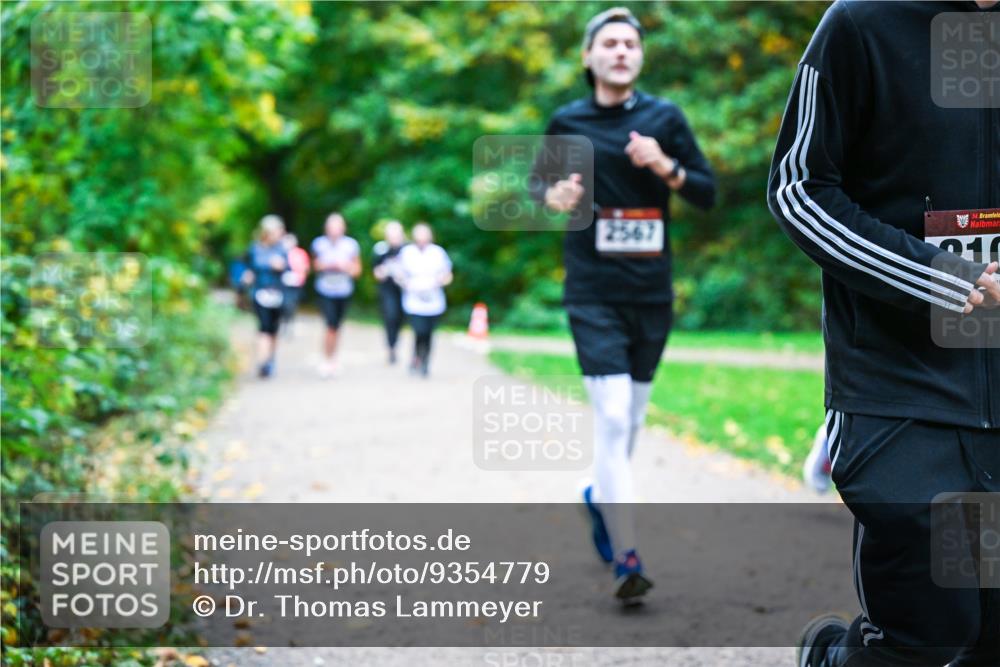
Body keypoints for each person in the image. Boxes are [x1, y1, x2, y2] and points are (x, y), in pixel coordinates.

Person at [766, 1, 1000, 664]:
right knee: (930, 631)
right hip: (899, 387)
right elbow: (798, 189)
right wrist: (938, 276)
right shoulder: (861, 22)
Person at [533, 7, 716, 604]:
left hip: (650, 292)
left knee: (629, 421)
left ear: (640, 57)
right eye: (608, 43)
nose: (620, 51)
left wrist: (665, 166)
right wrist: (556, 195)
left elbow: (709, 193)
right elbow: (540, 192)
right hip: (591, 290)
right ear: (588, 57)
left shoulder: (665, 118)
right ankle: (627, 556)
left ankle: (596, 494)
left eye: (630, 44)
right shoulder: (567, 120)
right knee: (612, 417)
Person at [396, 222, 452, 378]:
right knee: (418, 331)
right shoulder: (407, 252)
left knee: (428, 333)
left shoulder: (438, 253)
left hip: (433, 300)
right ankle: (416, 357)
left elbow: (447, 274)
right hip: (413, 300)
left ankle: (425, 361)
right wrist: (406, 283)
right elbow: (399, 273)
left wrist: (438, 281)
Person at [311, 212, 361, 378]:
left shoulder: (351, 245)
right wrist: (328, 266)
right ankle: (326, 359)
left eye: (338, 226)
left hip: (344, 290)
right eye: (332, 226)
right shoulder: (319, 244)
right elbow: (314, 266)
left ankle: (333, 358)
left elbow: (357, 270)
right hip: (325, 290)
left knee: (336, 326)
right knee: (330, 325)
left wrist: (345, 267)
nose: (335, 230)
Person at [242, 215, 288, 378]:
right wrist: (247, 276)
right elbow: (247, 267)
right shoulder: (254, 248)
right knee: (263, 328)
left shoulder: (282, 249)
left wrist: (282, 266)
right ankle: (262, 362)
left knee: (273, 330)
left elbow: (288, 269)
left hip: (277, 294)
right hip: (260, 293)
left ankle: (270, 360)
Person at [372, 220, 407, 364]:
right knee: (390, 316)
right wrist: (383, 272)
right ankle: (391, 347)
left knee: (400, 319)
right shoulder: (381, 249)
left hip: (404, 291)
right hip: (387, 289)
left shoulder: (408, 250)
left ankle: (395, 343)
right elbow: (376, 272)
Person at [280, 233, 310, 337]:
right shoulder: (281, 252)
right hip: (282, 284)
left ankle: (289, 325)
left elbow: (306, 268)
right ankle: (283, 324)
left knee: (291, 305)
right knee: (283, 305)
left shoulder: (300, 253)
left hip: (296, 284)